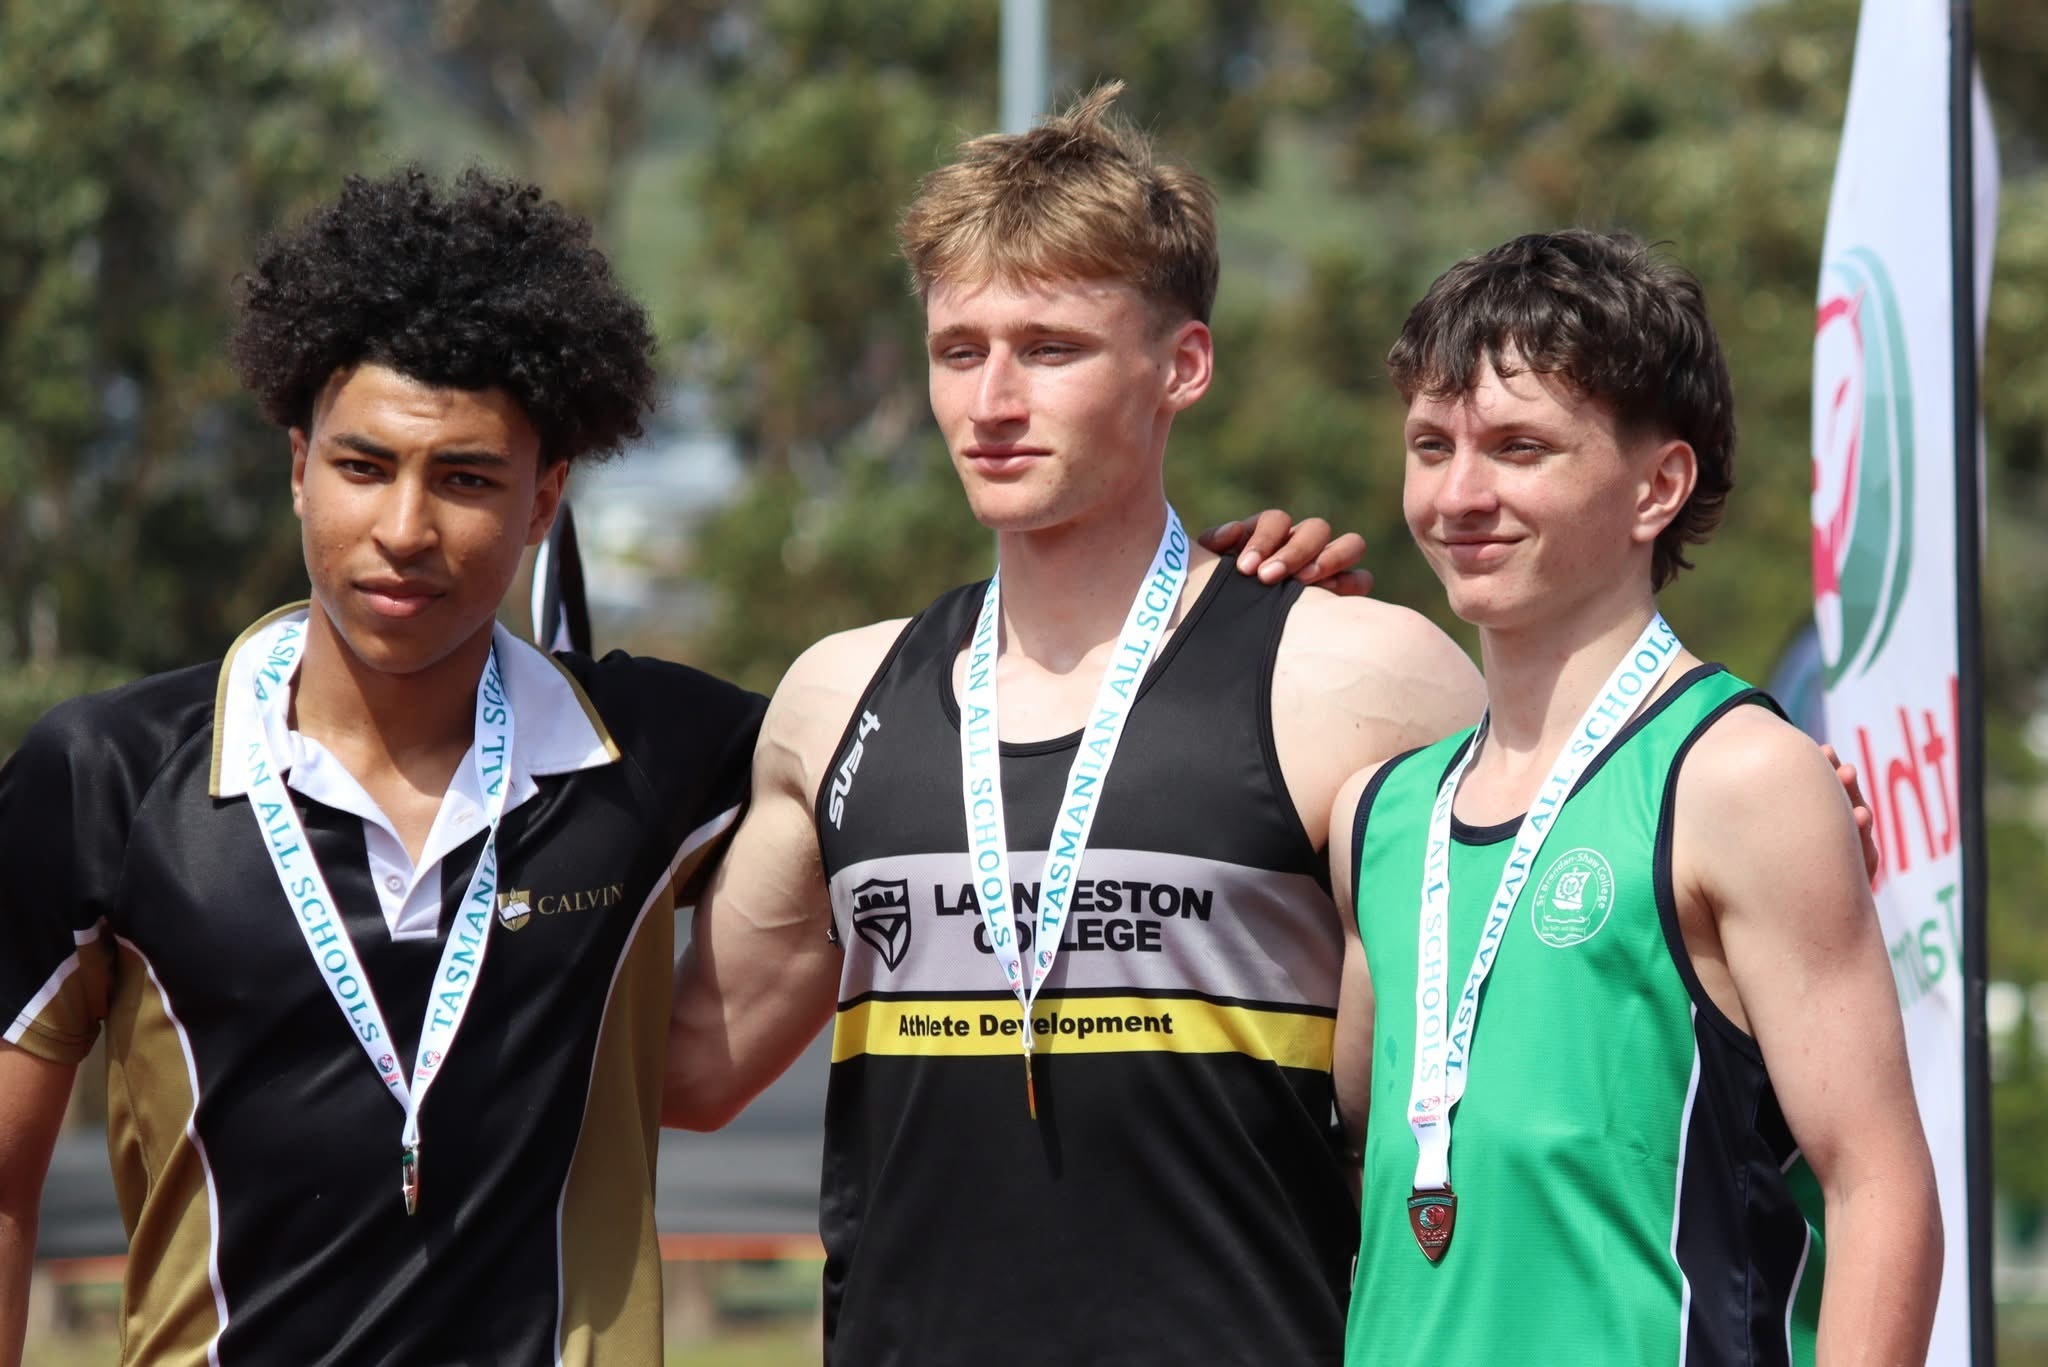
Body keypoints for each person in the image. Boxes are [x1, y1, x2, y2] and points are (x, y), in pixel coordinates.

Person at [0, 163, 1355, 1367]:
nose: (403, 527)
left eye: (467, 479)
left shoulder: (664, 748)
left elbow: (993, 735)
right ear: (297, 468)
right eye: (363, 464)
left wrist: (1229, 613)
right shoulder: (102, 773)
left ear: (546, 499)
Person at [662, 84, 1484, 1365]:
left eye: (1049, 348)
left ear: (1182, 365)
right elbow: (684, 1072)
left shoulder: (1354, 676)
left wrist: (1748, 777)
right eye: (957, 349)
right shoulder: (835, 698)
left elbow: (1522, 1066)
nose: (991, 400)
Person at [1332, 229, 1942, 1364]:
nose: (1459, 493)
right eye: (1429, 445)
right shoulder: (1380, 811)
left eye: (1518, 447)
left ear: (1656, 485)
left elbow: (1879, 1186)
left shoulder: (1740, 775)